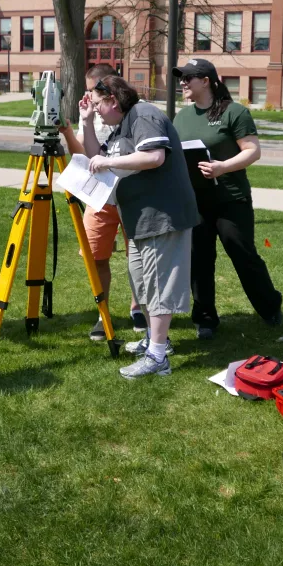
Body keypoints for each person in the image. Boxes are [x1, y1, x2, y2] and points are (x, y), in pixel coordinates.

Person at [84, 76, 199, 379]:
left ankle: (158, 357)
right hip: (139, 219)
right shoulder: (123, 126)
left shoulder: (143, 114)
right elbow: (99, 154)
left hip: (162, 216)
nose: (96, 110)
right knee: (142, 283)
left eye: (97, 104)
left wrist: (107, 165)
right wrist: (85, 124)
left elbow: (154, 156)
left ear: (112, 98)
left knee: (160, 285)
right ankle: (153, 340)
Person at [172, 58, 283, 338]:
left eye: (188, 78)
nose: (183, 83)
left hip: (230, 199)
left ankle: (270, 306)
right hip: (195, 201)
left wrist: (222, 166)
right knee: (199, 259)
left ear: (206, 81)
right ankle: (206, 318)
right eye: (181, 78)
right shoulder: (182, 117)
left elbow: (252, 151)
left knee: (243, 254)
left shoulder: (234, 112)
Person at [60, 64, 148, 340]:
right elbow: (86, 155)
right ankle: (103, 313)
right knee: (96, 255)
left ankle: (140, 310)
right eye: (88, 91)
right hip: (99, 197)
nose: (89, 98)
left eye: (93, 90)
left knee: (139, 256)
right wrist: (69, 131)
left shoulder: (138, 111)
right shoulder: (92, 113)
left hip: (134, 196)